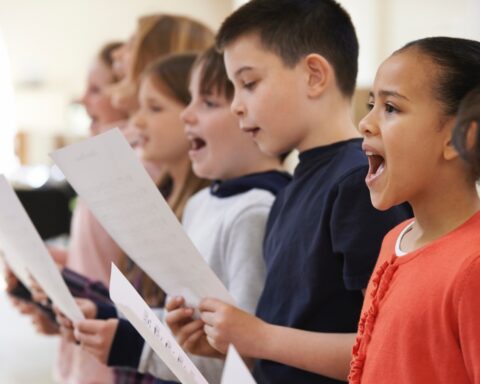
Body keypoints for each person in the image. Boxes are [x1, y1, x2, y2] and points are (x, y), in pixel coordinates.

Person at [173, 1, 411, 383]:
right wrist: (233, 344)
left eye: (249, 84)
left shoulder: (358, 184)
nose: (236, 106)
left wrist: (259, 338)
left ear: (314, 75)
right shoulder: (291, 189)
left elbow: (387, 348)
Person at [349, 37, 480, 384]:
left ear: (458, 138)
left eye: (391, 108)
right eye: (371, 104)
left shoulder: (474, 266)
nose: (365, 122)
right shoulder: (395, 238)